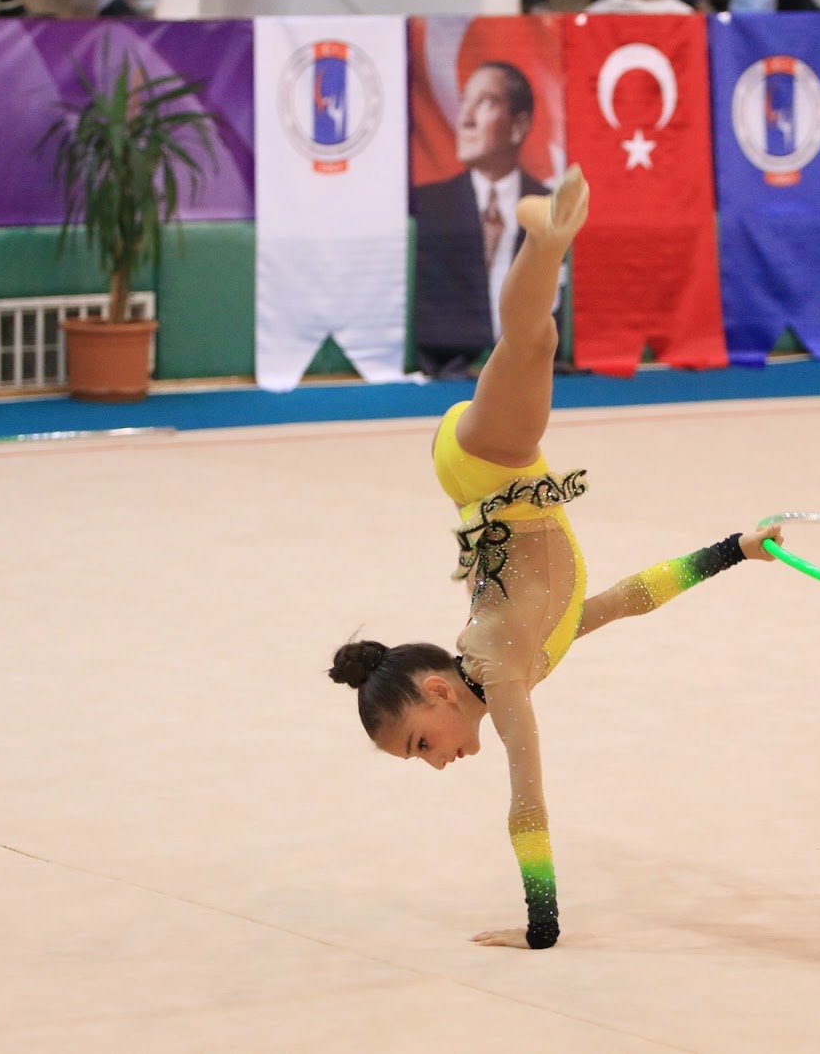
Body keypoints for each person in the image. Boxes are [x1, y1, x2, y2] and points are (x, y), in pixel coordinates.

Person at [330, 165, 782, 950]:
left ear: (436, 689)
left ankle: (545, 238)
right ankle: (546, 241)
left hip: (490, 471)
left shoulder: (502, 672)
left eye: (420, 742)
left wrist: (542, 922)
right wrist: (732, 551)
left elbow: (527, 799)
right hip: (482, 474)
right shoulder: (521, 654)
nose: (435, 762)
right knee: (533, 341)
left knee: (531, 339)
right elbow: (625, 600)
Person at [412, 61, 565, 381]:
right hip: (447, 381)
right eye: (464, 102)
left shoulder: (553, 208)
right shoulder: (428, 207)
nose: (465, 120)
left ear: (519, 126)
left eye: (485, 102)